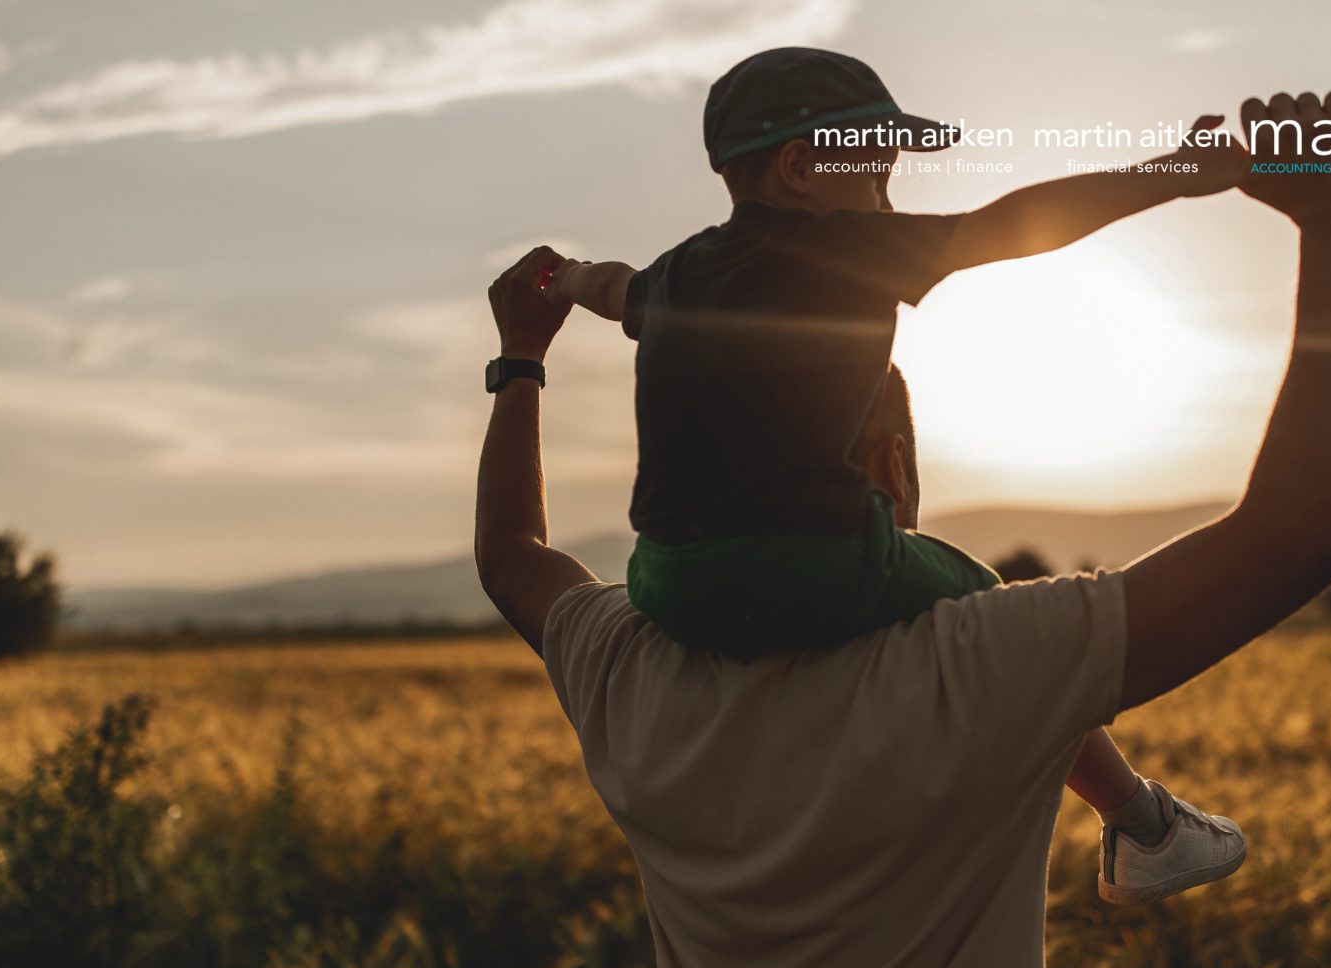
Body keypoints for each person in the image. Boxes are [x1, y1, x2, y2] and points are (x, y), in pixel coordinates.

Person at [476, 89, 1331, 968]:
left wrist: (521, 356)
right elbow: (1308, 530)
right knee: (972, 586)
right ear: (895, 466)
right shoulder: (977, 661)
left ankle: (1145, 819)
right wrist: (1325, 218)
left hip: (669, 570)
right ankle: (1143, 820)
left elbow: (511, 551)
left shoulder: (627, 672)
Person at [537, 46, 1253, 891]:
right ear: (803, 166)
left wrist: (559, 277)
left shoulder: (679, 273)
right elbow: (1015, 223)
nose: (888, 199)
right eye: (878, 174)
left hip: (663, 576)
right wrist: (1172, 172)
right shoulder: (843, 248)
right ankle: (1141, 824)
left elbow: (611, 286)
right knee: (989, 609)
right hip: (809, 562)